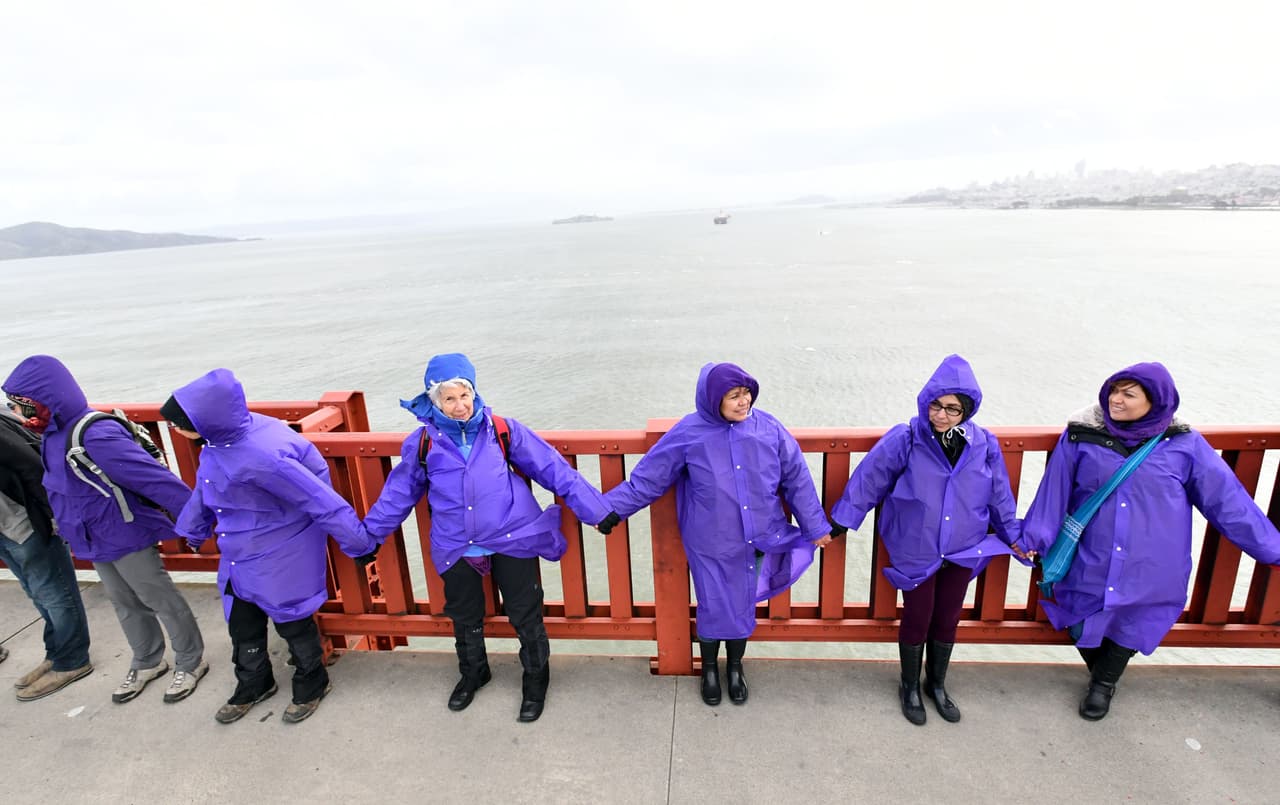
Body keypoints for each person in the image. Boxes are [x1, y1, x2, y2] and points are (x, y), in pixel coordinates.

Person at [360, 353, 613, 723]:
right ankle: (473, 673)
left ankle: (536, 678)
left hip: (512, 536)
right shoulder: (422, 444)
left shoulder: (501, 430)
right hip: (456, 544)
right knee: (464, 616)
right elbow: (397, 495)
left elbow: (552, 468)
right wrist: (368, 538)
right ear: (435, 401)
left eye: (464, 395)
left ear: (474, 393)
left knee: (525, 612)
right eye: (449, 398)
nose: (459, 405)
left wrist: (597, 511)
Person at [1020, 362, 1280, 721]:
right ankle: (1102, 675)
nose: (1116, 400)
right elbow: (1055, 492)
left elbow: (1228, 503)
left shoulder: (1184, 444)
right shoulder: (1081, 437)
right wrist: (1033, 537)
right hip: (1092, 556)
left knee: (1137, 620)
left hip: (1154, 562)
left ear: (1155, 401)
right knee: (1077, 614)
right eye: (1114, 390)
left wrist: (1272, 549)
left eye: (1129, 394)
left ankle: (1103, 685)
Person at [602, 362, 835, 707]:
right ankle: (710, 668)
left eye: (747, 393)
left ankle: (735, 667)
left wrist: (815, 526)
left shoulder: (769, 428)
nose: (744, 401)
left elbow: (796, 477)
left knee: (742, 602)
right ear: (714, 399)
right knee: (712, 604)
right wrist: (609, 510)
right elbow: (648, 479)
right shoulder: (689, 432)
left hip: (758, 536)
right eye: (734, 395)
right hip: (709, 540)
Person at [167, 369, 379, 724]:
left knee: (292, 619)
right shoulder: (218, 443)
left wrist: (358, 543)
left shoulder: (262, 456)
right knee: (242, 624)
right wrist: (193, 528)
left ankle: (312, 682)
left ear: (203, 421)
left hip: (280, 550)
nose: (174, 429)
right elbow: (206, 489)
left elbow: (318, 498)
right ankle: (254, 682)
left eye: (178, 423)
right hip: (239, 550)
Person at [830, 354, 1024, 725]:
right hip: (916, 544)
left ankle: (936, 684)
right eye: (936, 405)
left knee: (948, 617)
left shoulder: (984, 443)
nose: (941, 415)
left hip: (964, 546)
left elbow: (999, 494)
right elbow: (869, 479)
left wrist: (1012, 534)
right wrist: (841, 521)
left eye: (952, 409)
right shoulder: (906, 438)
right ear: (925, 402)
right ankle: (909, 686)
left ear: (966, 410)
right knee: (917, 616)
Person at [3, 355, 207, 705]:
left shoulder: (95, 433)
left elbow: (155, 480)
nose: (17, 412)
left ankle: (191, 660)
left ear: (44, 400)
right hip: (91, 537)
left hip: (125, 532)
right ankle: (147, 660)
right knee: (124, 602)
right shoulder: (51, 435)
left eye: (21, 405)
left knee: (159, 598)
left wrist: (196, 522)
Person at [0, 399, 93, 701]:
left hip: (24, 522)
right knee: (37, 592)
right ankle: (56, 653)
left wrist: (53, 516)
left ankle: (72, 660)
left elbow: (32, 466)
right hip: (6, 526)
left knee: (55, 592)